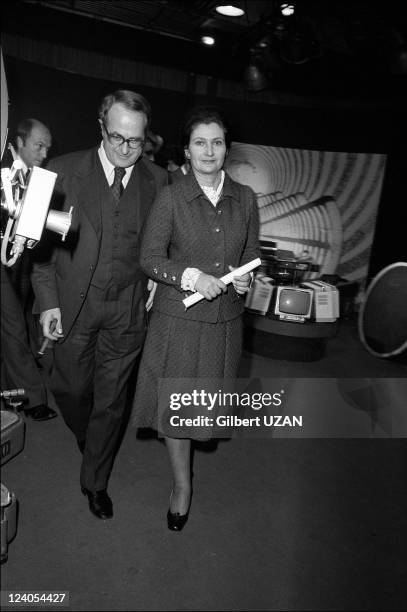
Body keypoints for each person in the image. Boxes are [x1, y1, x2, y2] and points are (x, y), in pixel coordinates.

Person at [31, 90, 168, 520]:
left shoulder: (160, 181)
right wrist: (48, 301)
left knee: (111, 401)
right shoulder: (61, 172)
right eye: (117, 138)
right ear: (101, 127)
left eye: (136, 141)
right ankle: (87, 435)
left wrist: (161, 283)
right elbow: (40, 250)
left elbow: (169, 245)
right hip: (75, 304)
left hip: (128, 309)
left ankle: (95, 480)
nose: (127, 150)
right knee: (70, 391)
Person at [132, 106, 260, 531]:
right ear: (186, 151)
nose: (209, 150)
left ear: (227, 148)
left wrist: (245, 281)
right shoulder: (171, 197)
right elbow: (149, 258)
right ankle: (182, 485)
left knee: (201, 412)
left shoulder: (246, 198)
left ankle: (186, 477)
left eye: (217, 142)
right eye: (200, 142)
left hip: (225, 322)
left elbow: (248, 259)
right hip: (177, 323)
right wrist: (191, 276)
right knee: (176, 413)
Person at [1, 118, 56, 421]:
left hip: (19, 266)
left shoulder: (38, 179)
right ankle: (32, 399)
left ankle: (13, 397)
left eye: (47, 146)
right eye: (39, 145)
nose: (44, 152)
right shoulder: (4, 174)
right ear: (19, 142)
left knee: (13, 328)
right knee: (15, 329)